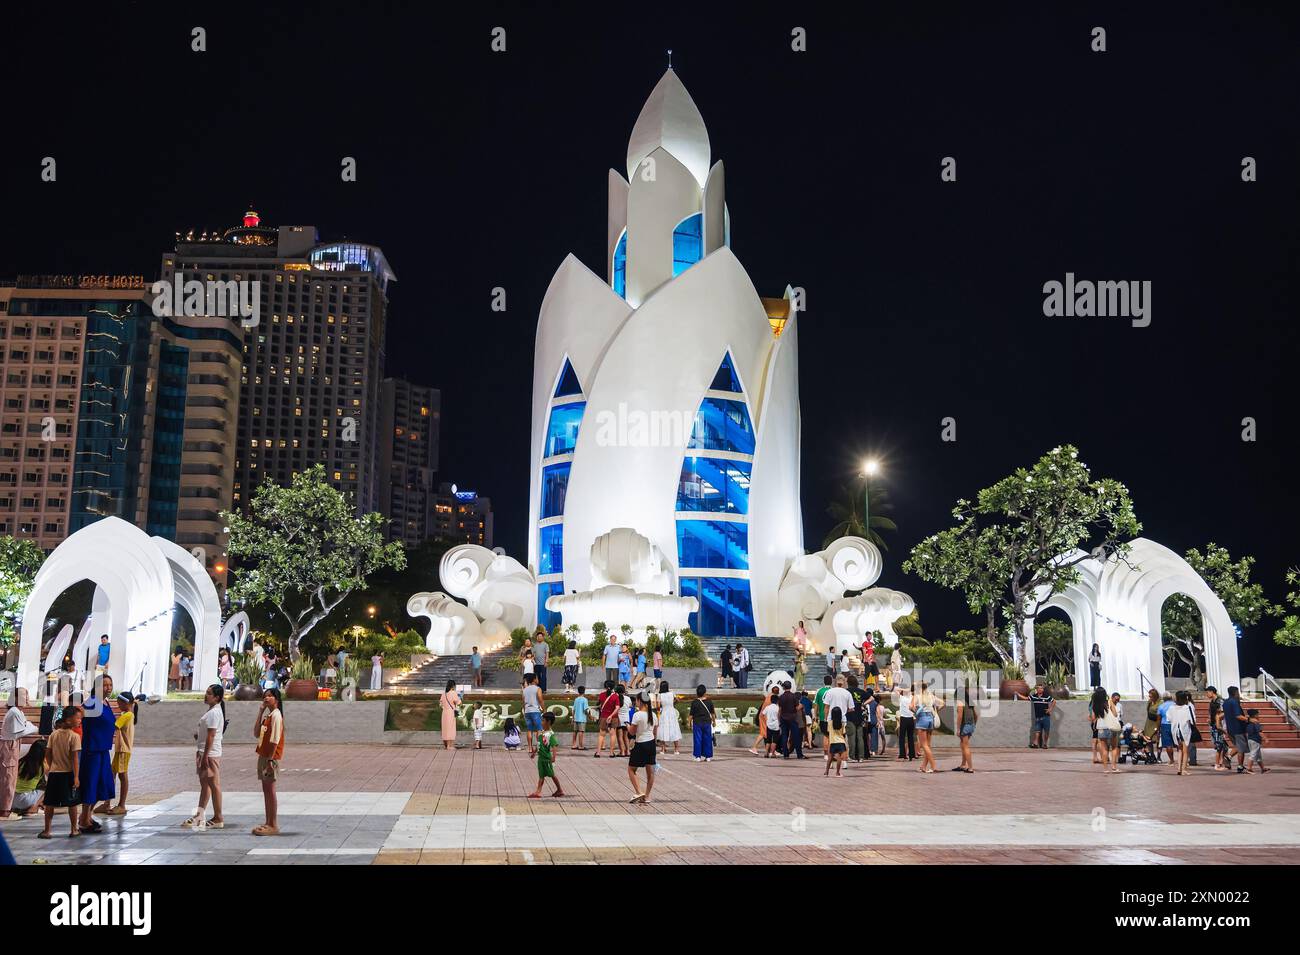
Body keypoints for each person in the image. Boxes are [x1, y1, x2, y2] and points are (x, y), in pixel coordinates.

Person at [78, 675, 117, 834]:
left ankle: (86, 816)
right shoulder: (91, 702)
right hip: (92, 749)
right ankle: (84, 820)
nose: (108, 688)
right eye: (105, 685)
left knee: (103, 784)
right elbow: (79, 716)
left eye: (110, 685)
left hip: (103, 750)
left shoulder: (106, 702)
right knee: (91, 784)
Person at [183, 684, 226, 830]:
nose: (206, 695)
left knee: (214, 785)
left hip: (210, 753)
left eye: (209, 693)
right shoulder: (212, 711)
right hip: (204, 752)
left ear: (217, 697)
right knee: (206, 785)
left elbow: (212, 735)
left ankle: (218, 817)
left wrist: (206, 755)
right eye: (206, 692)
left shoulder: (214, 712)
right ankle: (200, 815)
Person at [41, 706, 81, 839]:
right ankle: (74, 829)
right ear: (69, 720)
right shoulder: (74, 736)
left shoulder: (54, 734)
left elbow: (48, 753)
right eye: (78, 718)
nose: (79, 721)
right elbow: (75, 758)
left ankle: (47, 830)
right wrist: (76, 776)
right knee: (72, 803)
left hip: (54, 773)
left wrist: (52, 765)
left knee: (50, 803)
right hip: (68, 773)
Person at [94, 692, 136, 815]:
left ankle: (122, 805)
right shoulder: (126, 714)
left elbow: (114, 725)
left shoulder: (128, 715)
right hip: (120, 749)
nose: (118, 705)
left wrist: (105, 713)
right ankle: (107, 803)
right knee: (111, 775)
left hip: (124, 750)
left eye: (119, 703)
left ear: (126, 703)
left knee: (122, 776)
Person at [0, 689, 39, 819]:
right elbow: (21, 731)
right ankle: (5, 811)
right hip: (9, 746)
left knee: (10, 778)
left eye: (27, 694)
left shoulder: (18, 712)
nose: (27, 697)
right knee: (8, 779)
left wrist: (31, 727)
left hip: (13, 745)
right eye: (24, 695)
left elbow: (25, 726)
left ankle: (6, 808)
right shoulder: (14, 712)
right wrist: (34, 728)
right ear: (15, 698)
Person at [253, 688, 284, 836]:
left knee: (270, 791)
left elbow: (275, 740)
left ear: (276, 699)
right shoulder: (268, 715)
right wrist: (260, 711)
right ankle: (268, 822)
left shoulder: (277, 715)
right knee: (266, 791)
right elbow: (255, 733)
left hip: (271, 758)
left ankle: (273, 824)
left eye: (270, 696)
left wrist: (270, 760)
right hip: (264, 755)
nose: (266, 698)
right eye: (265, 696)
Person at [627, 691, 657, 804]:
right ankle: (647, 796)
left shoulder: (637, 715)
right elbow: (655, 732)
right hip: (651, 744)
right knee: (650, 772)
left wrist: (627, 725)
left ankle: (639, 792)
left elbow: (632, 732)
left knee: (631, 769)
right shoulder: (653, 715)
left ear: (640, 701)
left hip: (640, 744)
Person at [529, 712, 566, 798]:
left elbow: (554, 745)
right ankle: (538, 792)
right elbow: (539, 744)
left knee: (552, 775)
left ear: (548, 722)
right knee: (541, 775)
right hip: (541, 758)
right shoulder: (542, 732)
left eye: (543, 720)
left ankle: (559, 790)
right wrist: (534, 753)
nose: (541, 722)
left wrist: (553, 757)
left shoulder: (550, 734)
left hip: (546, 759)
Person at [11, 738, 46, 817]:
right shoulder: (42, 767)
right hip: (26, 800)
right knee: (49, 789)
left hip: (10, 800)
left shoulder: (20, 762)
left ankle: (19, 809)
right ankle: (34, 808)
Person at [913, 681, 942, 773]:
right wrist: (936, 711)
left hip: (922, 718)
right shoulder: (931, 696)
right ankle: (923, 766)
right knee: (928, 745)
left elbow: (911, 706)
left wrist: (916, 712)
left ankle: (933, 766)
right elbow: (942, 703)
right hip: (930, 718)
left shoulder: (917, 696)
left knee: (924, 745)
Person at [1166, 690, 1196, 776]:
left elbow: (1169, 718)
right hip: (1184, 730)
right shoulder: (1187, 708)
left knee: (1179, 750)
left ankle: (1179, 769)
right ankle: (1184, 770)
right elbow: (1193, 720)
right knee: (1185, 751)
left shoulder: (1172, 707)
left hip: (1175, 730)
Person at [1017, 683, 1055, 749]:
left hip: (1046, 717)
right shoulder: (1034, 696)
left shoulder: (1047, 696)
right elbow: (1026, 698)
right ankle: (1035, 744)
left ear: (1043, 690)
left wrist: (1050, 709)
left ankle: (1045, 744)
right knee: (1037, 731)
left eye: (1042, 688)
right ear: (1037, 689)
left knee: (1046, 731)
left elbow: (1054, 701)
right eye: (1039, 688)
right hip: (1038, 718)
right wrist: (1018, 694)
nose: (1040, 689)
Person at [1221, 686, 1249, 772]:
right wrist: (1248, 719)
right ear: (1235, 692)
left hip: (1230, 728)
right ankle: (1228, 757)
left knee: (1239, 747)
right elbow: (1238, 716)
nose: (1238, 694)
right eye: (1238, 692)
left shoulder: (1225, 702)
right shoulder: (1234, 702)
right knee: (1240, 748)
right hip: (1238, 728)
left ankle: (1240, 766)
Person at [776, 680, 804, 759]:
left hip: (783, 718)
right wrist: (800, 707)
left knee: (784, 736)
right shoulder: (793, 696)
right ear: (790, 687)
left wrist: (779, 719)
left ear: (783, 687)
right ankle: (799, 754)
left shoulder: (781, 697)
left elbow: (780, 709)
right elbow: (797, 707)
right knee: (796, 736)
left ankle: (785, 754)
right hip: (792, 718)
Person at [955, 683, 977, 773]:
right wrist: (974, 725)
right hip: (971, 725)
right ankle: (963, 765)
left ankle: (970, 767)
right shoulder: (970, 701)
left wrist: (958, 729)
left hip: (965, 725)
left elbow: (960, 716)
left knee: (965, 746)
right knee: (963, 745)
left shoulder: (960, 701)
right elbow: (976, 715)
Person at [1206, 686, 1230, 771]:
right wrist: (1210, 718)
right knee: (1220, 746)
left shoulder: (1220, 701)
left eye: (1208, 692)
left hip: (1218, 725)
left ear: (1212, 692)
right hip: (1214, 726)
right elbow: (1211, 712)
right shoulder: (1212, 701)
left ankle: (1220, 763)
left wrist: (1218, 720)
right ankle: (1219, 764)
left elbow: (1223, 713)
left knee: (1222, 746)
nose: (1207, 694)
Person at [690, 685, 716, 761]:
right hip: (707, 723)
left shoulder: (694, 702)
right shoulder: (709, 701)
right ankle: (708, 757)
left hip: (697, 723)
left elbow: (691, 715)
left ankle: (697, 756)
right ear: (705, 692)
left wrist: (689, 723)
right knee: (708, 739)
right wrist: (714, 722)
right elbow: (712, 713)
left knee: (698, 739)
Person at [845, 675, 867, 762]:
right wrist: (863, 704)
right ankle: (861, 757)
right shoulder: (861, 691)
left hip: (850, 716)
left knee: (851, 737)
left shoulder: (846, 692)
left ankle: (852, 756)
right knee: (860, 738)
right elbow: (872, 698)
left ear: (848, 683)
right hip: (859, 716)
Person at [656, 681, 682, 756]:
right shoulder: (672, 693)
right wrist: (672, 703)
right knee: (674, 729)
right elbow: (678, 700)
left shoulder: (660, 695)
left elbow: (658, 706)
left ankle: (663, 749)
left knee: (663, 729)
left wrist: (661, 707)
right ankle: (676, 749)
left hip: (664, 712)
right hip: (672, 712)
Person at [521, 672, 544, 756]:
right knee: (539, 729)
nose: (538, 680)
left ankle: (530, 748)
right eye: (537, 678)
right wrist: (544, 709)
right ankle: (538, 747)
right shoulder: (538, 689)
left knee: (529, 730)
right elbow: (540, 699)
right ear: (534, 679)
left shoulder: (525, 690)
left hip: (527, 711)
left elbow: (523, 702)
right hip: (535, 711)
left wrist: (524, 710)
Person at [594, 681, 618, 757]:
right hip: (613, 717)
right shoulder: (615, 696)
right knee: (613, 735)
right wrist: (611, 715)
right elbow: (617, 708)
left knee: (601, 735)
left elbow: (599, 704)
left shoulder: (601, 695)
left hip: (604, 717)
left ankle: (598, 752)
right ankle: (611, 753)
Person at [1243, 709, 1269, 774]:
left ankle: (1263, 768)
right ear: (1255, 715)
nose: (1258, 715)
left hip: (1250, 739)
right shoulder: (1256, 722)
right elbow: (1260, 732)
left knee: (1258, 756)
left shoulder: (1248, 722)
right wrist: (1265, 738)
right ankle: (1249, 768)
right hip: (1255, 740)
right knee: (1253, 754)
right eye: (1258, 714)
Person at [824, 706, 848, 777]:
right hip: (841, 742)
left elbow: (828, 731)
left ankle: (826, 772)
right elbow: (843, 733)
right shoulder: (842, 723)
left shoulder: (830, 723)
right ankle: (837, 773)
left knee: (830, 758)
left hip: (833, 742)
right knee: (839, 758)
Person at [814, 675, 833, 758]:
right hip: (832, 717)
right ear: (831, 681)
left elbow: (816, 705)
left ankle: (825, 754)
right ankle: (831, 753)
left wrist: (815, 715)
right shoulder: (833, 691)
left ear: (824, 682)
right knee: (832, 736)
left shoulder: (819, 691)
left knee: (825, 735)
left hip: (822, 717)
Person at [896, 682, 916, 760]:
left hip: (904, 718)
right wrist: (909, 690)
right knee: (910, 737)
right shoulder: (912, 697)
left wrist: (904, 690)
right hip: (911, 718)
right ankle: (912, 754)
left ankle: (902, 754)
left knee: (902, 737)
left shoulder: (902, 697)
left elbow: (896, 689)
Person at [440, 679, 461, 750]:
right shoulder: (453, 693)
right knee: (451, 728)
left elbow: (441, 704)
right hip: (450, 712)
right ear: (453, 686)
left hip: (444, 712)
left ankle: (446, 745)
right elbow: (459, 702)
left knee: (445, 728)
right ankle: (450, 746)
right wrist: (460, 697)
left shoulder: (444, 694)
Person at [1156, 693, 1176, 764]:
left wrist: (1158, 730)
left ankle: (1171, 760)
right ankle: (1182, 759)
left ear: (1163, 699)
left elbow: (1158, 719)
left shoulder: (1161, 706)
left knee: (1168, 744)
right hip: (1175, 724)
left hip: (1165, 725)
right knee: (1179, 743)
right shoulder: (1175, 705)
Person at [572, 686, 589, 750]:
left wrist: (573, 718)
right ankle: (581, 745)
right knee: (581, 732)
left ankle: (573, 744)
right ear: (584, 691)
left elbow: (573, 709)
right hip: (582, 718)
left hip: (576, 718)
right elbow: (585, 710)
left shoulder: (576, 699)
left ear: (578, 691)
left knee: (575, 731)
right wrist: (589, 716)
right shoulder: (585, 700)